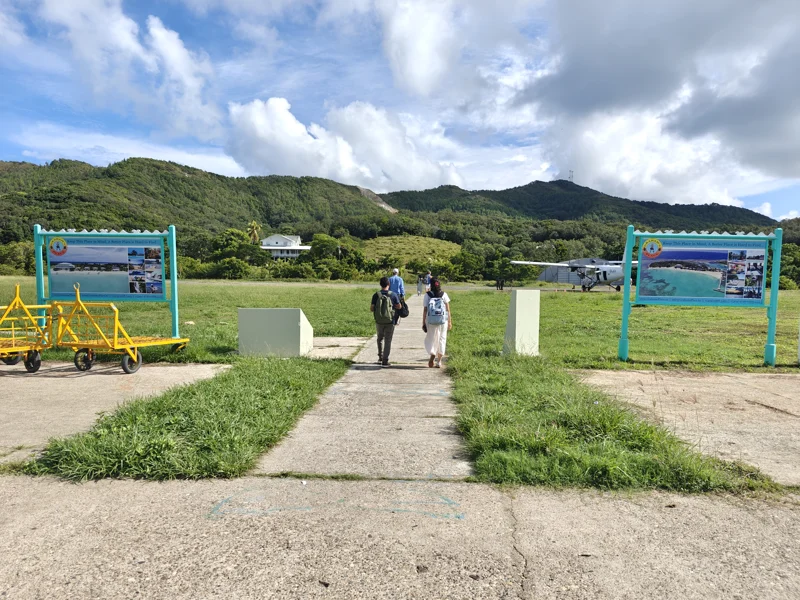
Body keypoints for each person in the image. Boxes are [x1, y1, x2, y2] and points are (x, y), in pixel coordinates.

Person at [370, 276, 402, 367]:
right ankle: (385, 360)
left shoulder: (376, 295)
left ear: (380, 284)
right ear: (389, 284)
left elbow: (372, 308)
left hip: (379, 321)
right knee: (388, 340)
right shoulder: (393, 294)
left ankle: (380, 356)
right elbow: (399, 306)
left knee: (380, 339)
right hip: (390, 321)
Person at [422, 278, 452, 368]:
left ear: (431, 285)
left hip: (431, 321)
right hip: (443, 320)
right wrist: (449, 321)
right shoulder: (444, 294)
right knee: (442, 338)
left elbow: (425, 310)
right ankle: (439, 361)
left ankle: (432, 355)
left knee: (431, 338)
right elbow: (447, 310)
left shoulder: (427, 295)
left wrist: (423, 322)